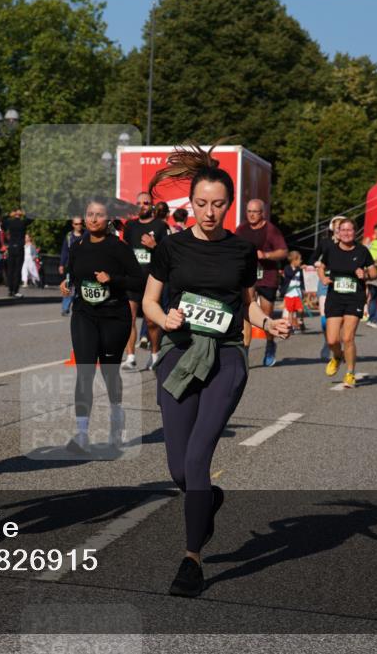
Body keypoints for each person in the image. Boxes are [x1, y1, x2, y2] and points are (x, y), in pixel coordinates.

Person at [141, 144, 291, 597]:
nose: (209, 212)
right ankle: (207, 500)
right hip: (179, 354)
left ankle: (191, 559)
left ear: (230, 205)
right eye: (202, 203)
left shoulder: (242, 251)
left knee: (198, 459)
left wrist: (269, 323)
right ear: (191, 203)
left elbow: (248, 306)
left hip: (225, 356)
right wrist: (164, 318)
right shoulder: (172, 246)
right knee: (178, 469)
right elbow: (150, 300)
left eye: (218, 204)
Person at [60, 197, 144, 453]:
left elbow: (139, 281)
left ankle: (117, 416)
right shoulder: (77, 246)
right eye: (89, 214)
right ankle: (82, 434)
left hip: (114, 317)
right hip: (84, 314)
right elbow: (73, 275)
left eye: (99, 214)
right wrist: (67, 284)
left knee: (109, 371)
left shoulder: (118, 248)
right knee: (85, 371)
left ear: (108, 219)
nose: (93, 219)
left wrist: (113, 279)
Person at [317, 219, 377, 388]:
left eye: (349, 230)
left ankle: (350, 373)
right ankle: (337, 356)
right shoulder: (330, 250)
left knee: (347, 337)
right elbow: (321, 267)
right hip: (335, 297)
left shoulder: (362, 251)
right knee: (332, 340)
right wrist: (323, 278)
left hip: (354, 298)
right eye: (342, 230)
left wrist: (365, 274)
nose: (346, 233)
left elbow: (374, 273)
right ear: (338, 232)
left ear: (355, 232)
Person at [235, 198, 288, 367]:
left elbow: (283, 252)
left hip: (267, 276)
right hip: (247, 276)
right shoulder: (241, 230)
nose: (251, 215)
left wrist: (266, 255)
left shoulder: (271, 230)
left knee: (266, 314)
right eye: (249, 212)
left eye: (255, 212)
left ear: (262, 213)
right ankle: (244, 351)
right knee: (246, 312)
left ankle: (270, 344)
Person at [121, 191, 170, 371]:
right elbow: (125, 251)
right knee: (129, 318)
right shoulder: (130, 226)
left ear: (152, 206)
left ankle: (155, 354)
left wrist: (154, 246)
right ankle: (130, 357)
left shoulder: (160, 226)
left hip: (152, 280)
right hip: (132, 280)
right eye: (139, 203)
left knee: (151, 322)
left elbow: (168, 254)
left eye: (146, 203)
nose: (142, 206)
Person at [313, 216, 348, 361]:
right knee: (324, 319)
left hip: (342, 283)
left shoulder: (348, 244)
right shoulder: (325, 243)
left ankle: (336, 343)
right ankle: (328, 342)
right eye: (337, 226)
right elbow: (313, 258)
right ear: (332, 228)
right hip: (325, 281)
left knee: (340, 318)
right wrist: (315, 263)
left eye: (342, 226)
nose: (339, 229)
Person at [59, 216, 85, 316]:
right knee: (68, 286)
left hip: (83, 265)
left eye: (80, 223)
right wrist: (61, 264)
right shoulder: (69, 236)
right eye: (76, 224)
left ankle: (79, 308)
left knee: (81, 287)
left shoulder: (87, 234)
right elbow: (64, 251)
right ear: (73, 225)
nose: (78, 226)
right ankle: (65, 308)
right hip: (70, 265)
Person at [4, 209, 31, 297]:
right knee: (18, 270)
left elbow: (2, 220)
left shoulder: (10, 222)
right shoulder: (23, 223)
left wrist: (9, 215)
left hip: (11, 247)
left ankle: (10, 290)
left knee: (10, 269)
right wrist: (24, 213)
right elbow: (31, 218)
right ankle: (15, 290)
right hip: (19, 247)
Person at [280, 250, 307, 333]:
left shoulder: (299, 270)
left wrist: (304, 289)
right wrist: (299, 268)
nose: (300, 261)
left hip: (297, 293)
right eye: (299, 259)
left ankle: (300, 321)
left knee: (300, 309)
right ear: (294, 260)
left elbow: (302, 280)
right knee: (290, 311)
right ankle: (291, 326)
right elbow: (290, 275)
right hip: (289, 293)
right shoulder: (287, 268)